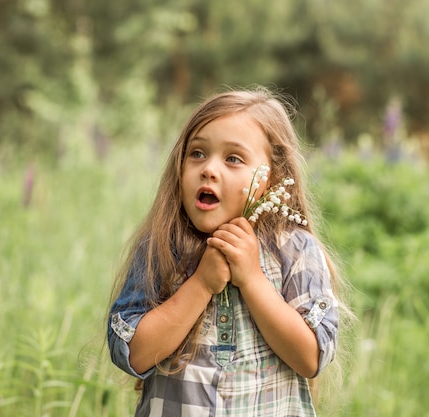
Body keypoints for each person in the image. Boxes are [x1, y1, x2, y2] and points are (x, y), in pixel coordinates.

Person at [107, 86, 349, 416]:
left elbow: (311, 357)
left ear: (271, 177)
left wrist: (251, 278)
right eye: (197, 154)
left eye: (233, 158)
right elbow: (132, 354)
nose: (209, 169)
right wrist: (202, 284)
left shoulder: (293, 248)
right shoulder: (162, 245)